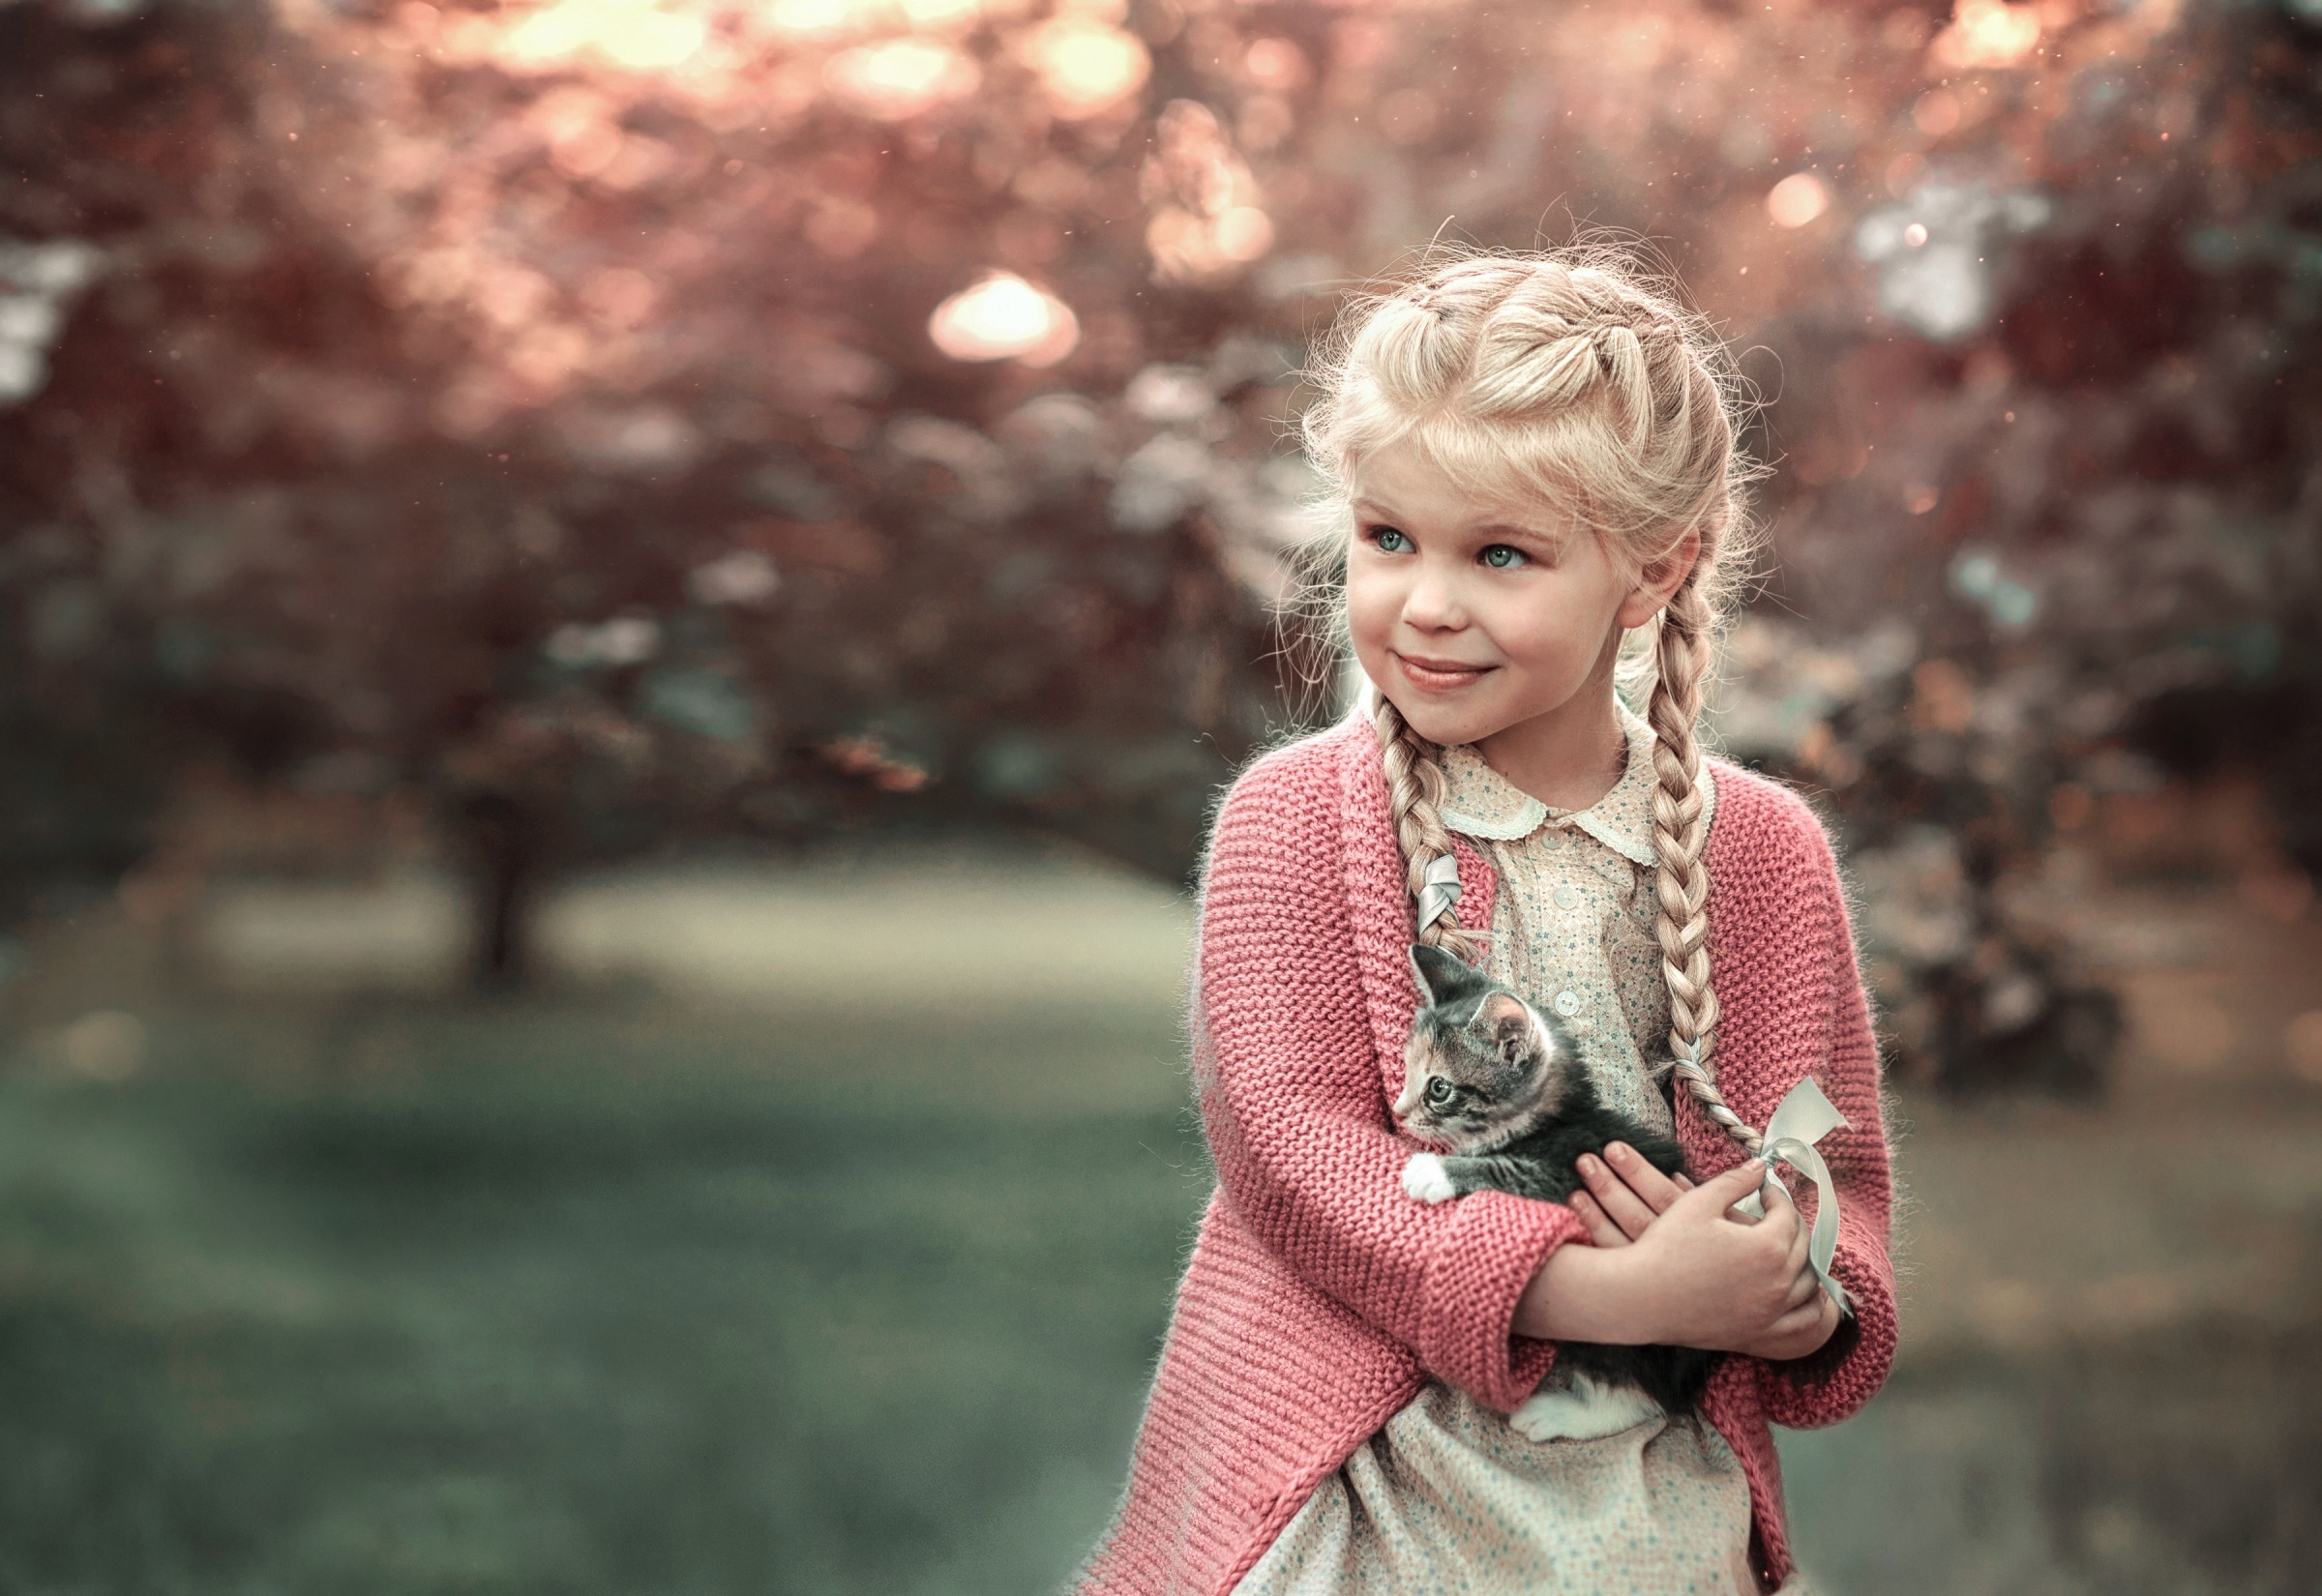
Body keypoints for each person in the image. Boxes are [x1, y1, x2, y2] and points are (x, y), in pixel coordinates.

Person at [1075, 251, 1896, 1596]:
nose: (1428, 601)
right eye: (1389, 538)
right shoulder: (1293, 821)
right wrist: (1609, 1295)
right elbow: (1295, 1160)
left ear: (1652, 571)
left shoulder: (1758, 851)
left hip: (1644, 1509)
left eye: (1500, 553)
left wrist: (1792, 1289)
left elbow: (1832, 1170)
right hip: (1371, 1499)